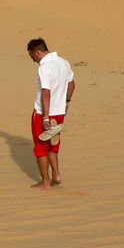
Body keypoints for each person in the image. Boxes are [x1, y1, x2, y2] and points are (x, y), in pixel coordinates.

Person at [27, 38, 75, 190]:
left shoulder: (45, 67)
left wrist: (45, 117)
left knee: (41, 147)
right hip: (59, 112)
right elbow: (72, 85)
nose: (33, 60)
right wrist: (66, 102)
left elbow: (46, 92)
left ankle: (45, 182)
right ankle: (57, 175)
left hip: (43, 112)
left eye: (32, 57)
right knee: (53, 146)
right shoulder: (64, 62)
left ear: (37, 52)